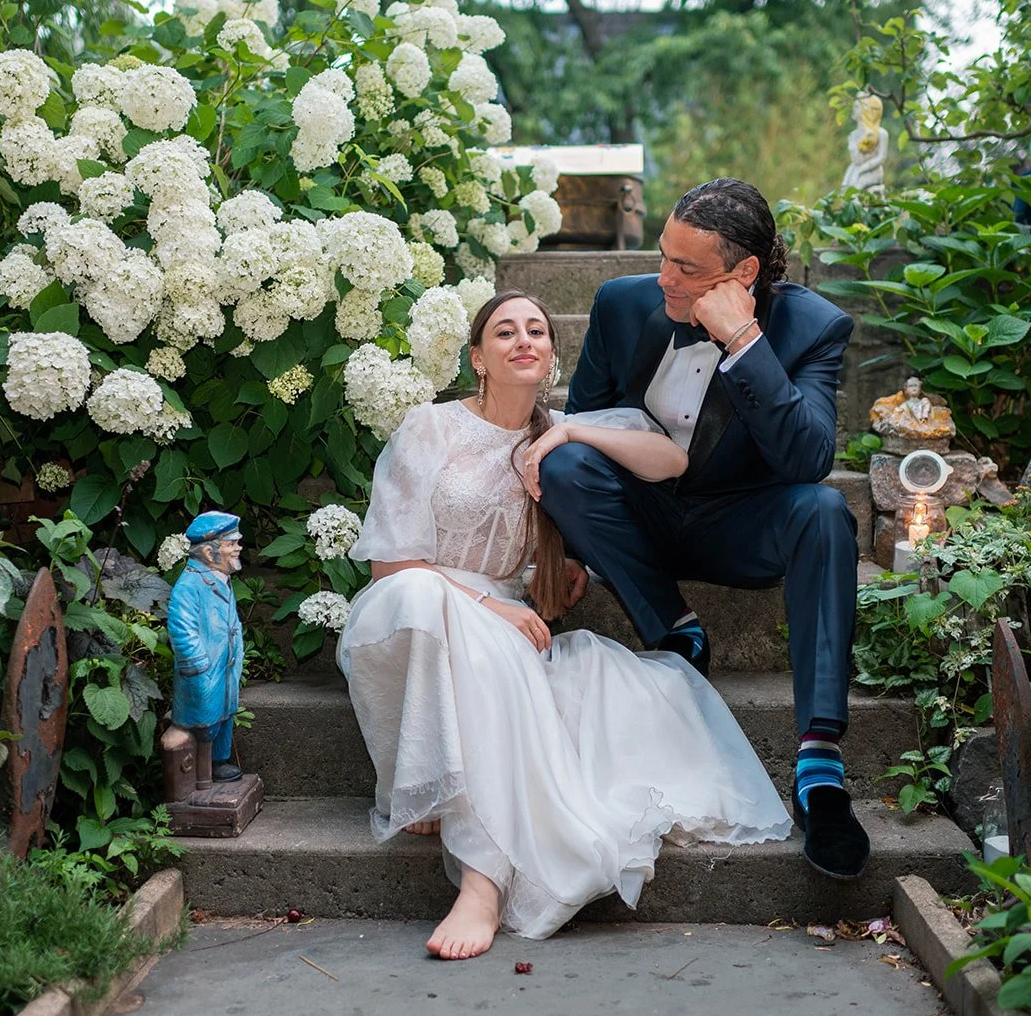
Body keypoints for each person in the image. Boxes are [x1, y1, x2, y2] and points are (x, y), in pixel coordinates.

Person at [339, 291, 791, 960]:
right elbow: (390, 569)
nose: (524, 339)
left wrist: (573, 431)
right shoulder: (429, 428)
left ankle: (481, 876)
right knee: (435, 609)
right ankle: (455, 825)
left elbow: (671, 460)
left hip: (499, 628)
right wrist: (487, 605)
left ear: (552, 354)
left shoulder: (552, 434)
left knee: (534, 664)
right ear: (477, 356)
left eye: (538, 331)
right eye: (504, 331)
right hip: (416, 604)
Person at [536, 178, 870, 882]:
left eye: (686, 268)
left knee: (826, 511)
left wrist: (744, 341)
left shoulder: (812, 326)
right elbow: (583, 425)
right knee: (564, 464)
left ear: (743, 273)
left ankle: (819, 763)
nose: (665, 276)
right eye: (663, 256)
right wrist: (563, 547)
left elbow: (809, 460)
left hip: (739, 524)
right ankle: (674, 626)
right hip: (642, 516)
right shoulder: (622, 304)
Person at [167, 511, 247, 788]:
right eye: (232, 543)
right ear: (210, 552)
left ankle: (219, 762)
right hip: (204, 669)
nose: (238, 548)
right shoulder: (189, 586)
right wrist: (197, 664)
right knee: (204, 722)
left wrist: (239, 652)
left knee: (224, 714)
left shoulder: (221, 579)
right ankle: (201, 776)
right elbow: (182, 629)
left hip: (224, 665)